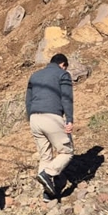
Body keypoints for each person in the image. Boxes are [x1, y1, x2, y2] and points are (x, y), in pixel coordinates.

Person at [26, 52, 75, 201]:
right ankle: (48, 174)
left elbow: (28, 101)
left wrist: (30, 118)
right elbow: (66, 98)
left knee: (45, 156)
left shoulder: (34, 76)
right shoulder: (62, 74)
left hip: (34, 119)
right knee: (67, 152)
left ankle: (48, 194)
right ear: (63, 65)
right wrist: (69, 119)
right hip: (52, 116)